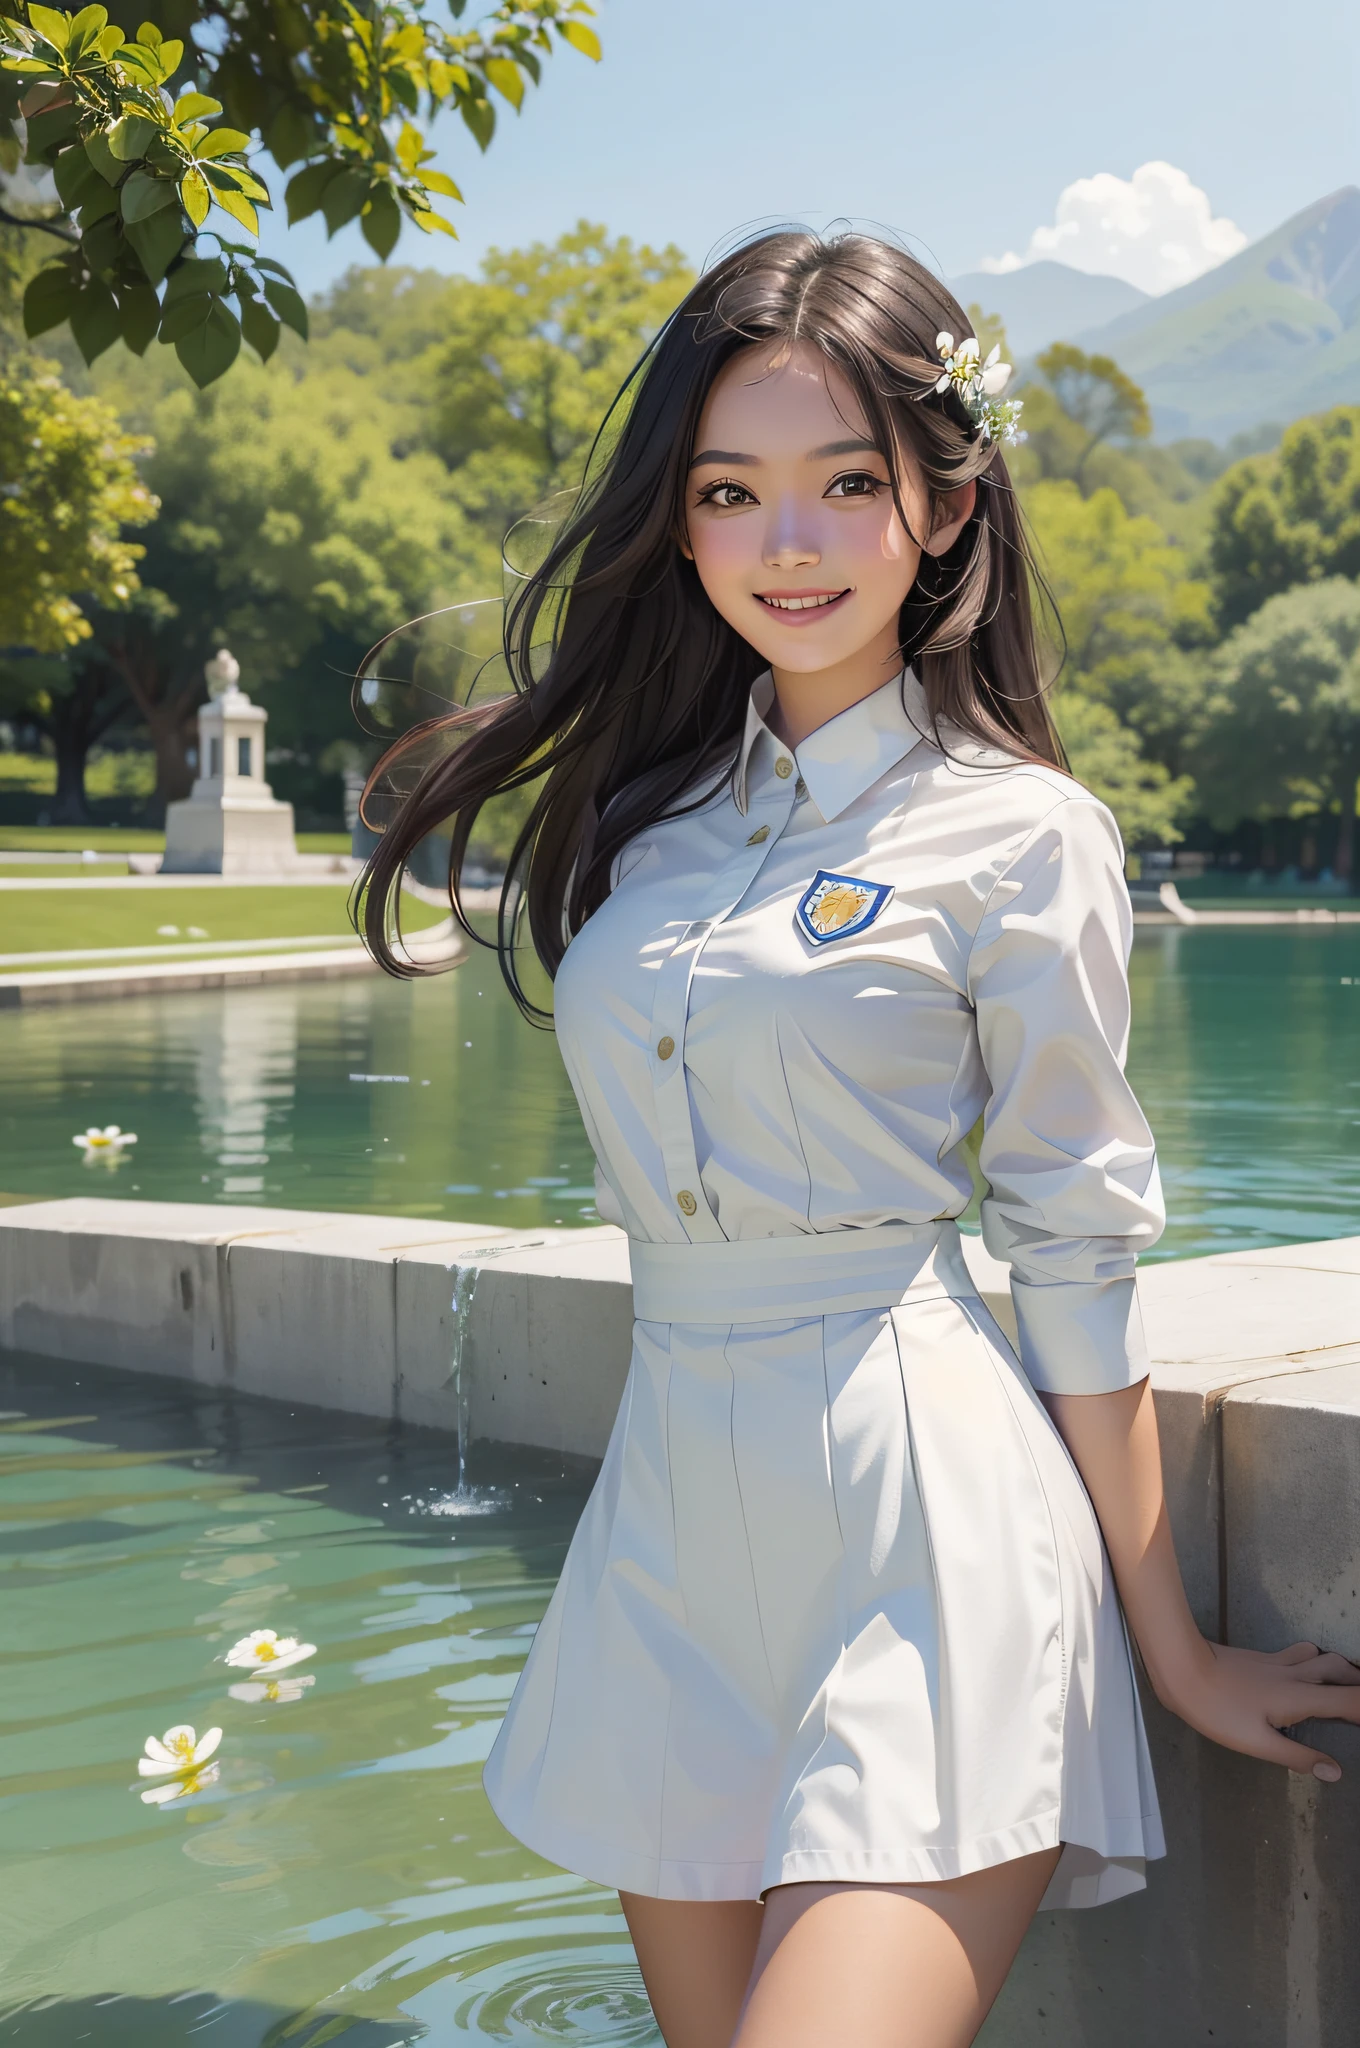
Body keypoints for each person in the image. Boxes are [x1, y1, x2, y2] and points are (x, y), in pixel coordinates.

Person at [361, 230, 1360, 2048]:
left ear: (947, 502)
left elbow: (1076, 1247)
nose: (791, 545)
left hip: (924, 1535)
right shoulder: (640, 840)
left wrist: (1171, 1647)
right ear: (680, 524)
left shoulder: (1021, 834)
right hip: (667, 1536)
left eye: (847, 484)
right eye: (734, 493)